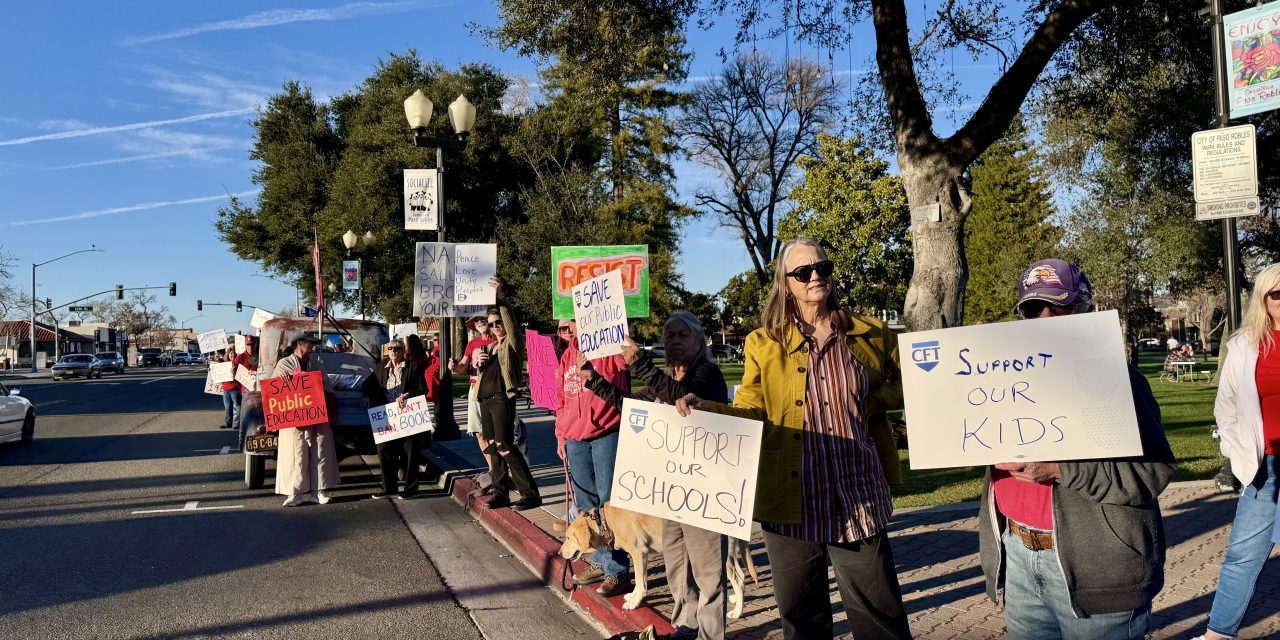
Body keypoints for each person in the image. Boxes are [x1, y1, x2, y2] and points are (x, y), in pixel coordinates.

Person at [675, 238, 911, 639]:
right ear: (786, 284)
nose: (816, 276)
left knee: (880, 618)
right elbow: (752, 411)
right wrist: (708, 409)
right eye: (804, 272)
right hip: (790, 501)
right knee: (803, 622)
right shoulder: (763, 343)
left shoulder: (870, 334)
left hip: (857, 493)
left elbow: (907, 384)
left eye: (823, 267)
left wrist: (874, 402)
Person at [976, 259, 1175, 640]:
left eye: (1059, 305)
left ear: (1085, 308)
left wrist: (1060, 470)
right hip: (1018, 555)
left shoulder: (1116, 378)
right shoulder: (1002, 378)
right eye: (1033, 308)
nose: (1046, 317)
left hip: (1097, 570)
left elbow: (1154, 470)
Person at [584, 312, 730, 640]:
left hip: (706, 491)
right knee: (678, 566)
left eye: (682, 336)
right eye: (669, 336)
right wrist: (594, 380)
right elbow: (636, 407)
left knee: (708, 572)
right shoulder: (664, 377)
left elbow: (680, 398)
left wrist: (639, 365)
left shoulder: (708, 374)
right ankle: (686, 627)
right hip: (671, 490)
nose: (675, 341)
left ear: (699, 340)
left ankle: (710, 635)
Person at [1195, 264, 1280, 640]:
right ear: (1264, 299)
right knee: (1242, 556)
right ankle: (1218, 634)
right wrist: (1238, 454)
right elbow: (1224, 408)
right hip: (1265, 466)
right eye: (1277, 294)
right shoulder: (1244, 345)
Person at [556, 318, 632, 599]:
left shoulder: (609, 348)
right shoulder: (566, 356)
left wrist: (617, 332)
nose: (568, 331)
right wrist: (560, 434)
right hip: (575, 439)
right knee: (587, 507)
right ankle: (600, 561)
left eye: (571, 324)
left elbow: (626, 360)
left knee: (608, 507)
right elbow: (561, 399)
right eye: (563, 328)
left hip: (606, 435)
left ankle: (617, 571)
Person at [477, 278, 541, 511]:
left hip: (502, 398)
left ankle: (530, 494)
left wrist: (500, 297)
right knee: (494, 447)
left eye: (498, 323)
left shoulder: (512, 344)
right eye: (491, 324)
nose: (495, 327)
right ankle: (500, 493)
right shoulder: (491, 347)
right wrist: (479, 364)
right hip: (485, 399)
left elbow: (511, 324)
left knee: (505, 445)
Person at [274, 335, 341, 507]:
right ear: (300, 344)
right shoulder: (284, 364)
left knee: (321, 451)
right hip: (294, 418)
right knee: (295, 454)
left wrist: (332, 413)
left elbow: (326, 386)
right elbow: (274, 389)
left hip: (318, 415)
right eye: (310, 343)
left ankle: (318, 492)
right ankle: (294, 493)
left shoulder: (317, 364)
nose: (312, 347)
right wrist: (288, 379)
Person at [363, 335, 431, 500]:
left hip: (408, 415)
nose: (393, 351)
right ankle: (389, 488)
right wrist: (367, 395)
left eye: (397, 348)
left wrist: (408, 395)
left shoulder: (413, 367)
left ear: (403, 351)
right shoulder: (380, 368)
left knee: (410, 452)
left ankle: (410, 489)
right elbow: (367, 385)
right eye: (391, 348)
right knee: (384, 450)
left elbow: (424, 389)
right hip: (387, 417)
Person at [450, 315, 498, 492]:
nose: (479, 324)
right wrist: (455, 367)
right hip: (474, 387)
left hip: (493, 388)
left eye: (482, 320)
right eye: (476, 322)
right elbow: (463, 366)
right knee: (479, 432)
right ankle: (493, 469)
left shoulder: (498, 339)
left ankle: (499, 470)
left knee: (493, 432)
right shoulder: (472, 344)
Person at [234, 338, 258, 450]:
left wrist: (255, 372)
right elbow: (233, 366)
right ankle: (242, 439)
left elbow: (260, 368)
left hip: (257, 388)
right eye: (248, 345)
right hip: (246, 390)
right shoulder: (241, 356)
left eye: (252, 344)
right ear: (245, 346)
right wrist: (233, 368)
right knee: (246, 413)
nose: (250, 347)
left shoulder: (258, 356)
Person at [220, 344, 241, 430]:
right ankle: (228, 423)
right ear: (228, 354)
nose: (232, 355)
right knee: (228, 407)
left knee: (237, 406)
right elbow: (216, 371)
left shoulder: (238, 363)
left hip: (235, 388)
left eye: (234, 353)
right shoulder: (224, 363)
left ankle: (239, 423)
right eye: (231, 353)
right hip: (226, 388)